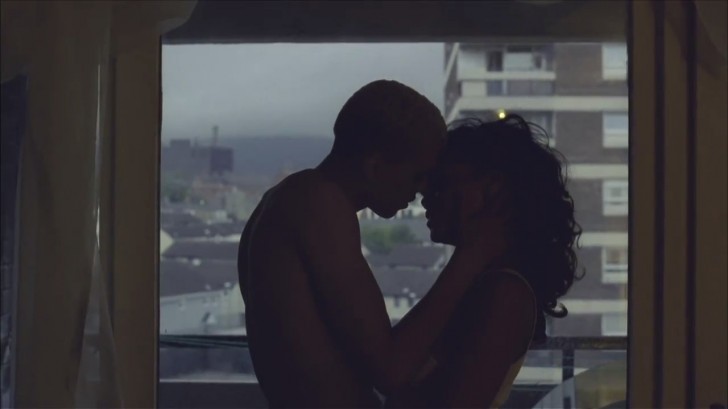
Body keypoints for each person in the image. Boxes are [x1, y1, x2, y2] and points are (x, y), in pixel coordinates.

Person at [237, 80, 511, 408]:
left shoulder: (285, 199)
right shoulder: (319, 204)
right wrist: (471, 256)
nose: (422, 191)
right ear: (375, 167)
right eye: (417, 175)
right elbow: (390, 369)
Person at [386, 114, 583, 408]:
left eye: (442, 183)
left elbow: (391, 368)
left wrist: (471, 254)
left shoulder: (506, 293)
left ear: (495, 190)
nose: (425, 197)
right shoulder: (487, 282)